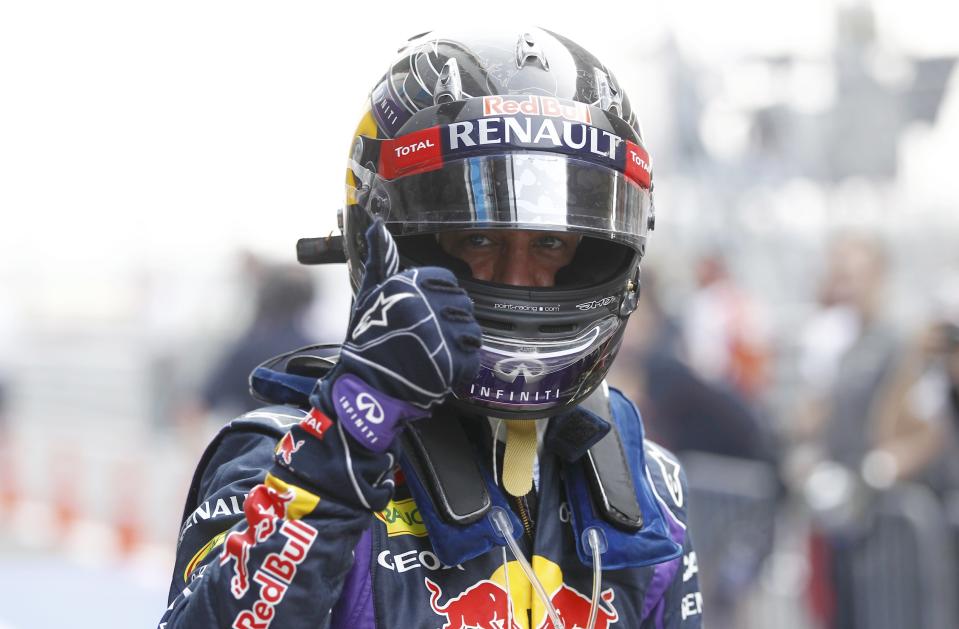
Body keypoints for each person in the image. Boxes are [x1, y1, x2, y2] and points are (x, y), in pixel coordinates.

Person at [159, 29, 702, 629]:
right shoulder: (280, 457)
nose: (518, 279)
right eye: (478, 240)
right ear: (394, 246)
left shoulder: (649, 486)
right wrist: (340, 451)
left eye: (550, 244)